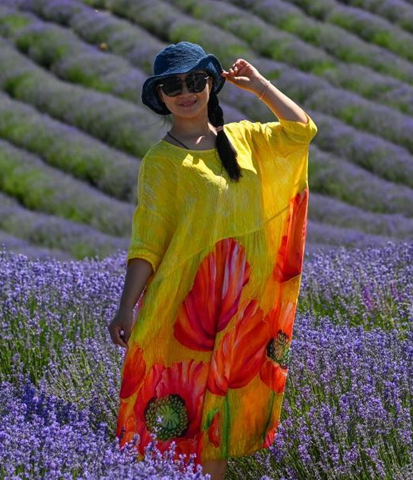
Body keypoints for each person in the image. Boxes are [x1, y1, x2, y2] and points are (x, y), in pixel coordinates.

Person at [107, 41, 316, 480]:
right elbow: (148, 241)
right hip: (184, 308)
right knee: (188, 416)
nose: (186, 92)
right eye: (173, 85)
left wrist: (259, 86)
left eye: (195, 81)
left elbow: (301, 131)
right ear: (160, 96)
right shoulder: (160, 163)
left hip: (241, 307)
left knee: (216, 418)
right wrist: (126, 305)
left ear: (210, 84)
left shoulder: (245, 139)